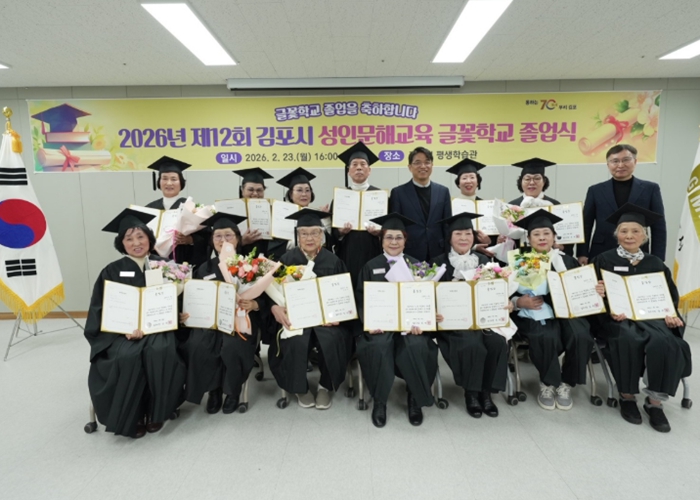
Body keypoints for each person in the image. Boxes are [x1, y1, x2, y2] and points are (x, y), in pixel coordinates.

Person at [84, 209, 186, 438]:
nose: (136, 243)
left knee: (160, 350)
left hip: (159, 328)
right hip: (123, 334)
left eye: (141, 236)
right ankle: (133, 415)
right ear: (121, 243)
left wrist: (179, 315)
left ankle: (157, 411)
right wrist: (124, 330)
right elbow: (100, 309)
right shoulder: (111, 271)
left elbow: (179, 299)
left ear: (149, 239)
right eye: (129, 239)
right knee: (127, 356)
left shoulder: (166, 266)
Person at [591, 203, 691, 432]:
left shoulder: (655, 263)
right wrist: (600, 296)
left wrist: (672, 315)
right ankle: (627, 396)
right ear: (616, 235)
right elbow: (591, 297)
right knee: (627, 338)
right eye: (624, 231)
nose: (629, 236)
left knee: (667, 341)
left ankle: (655, 402)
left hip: (653, 319)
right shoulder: (603, 260)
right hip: (617, 318)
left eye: (635, 231)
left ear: (644, 236)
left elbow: (669, 297)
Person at [355, 213, 438, 428]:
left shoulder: (417, 266)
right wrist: (369, 323)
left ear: (405, 240)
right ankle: (380, 401)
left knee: (417, 344)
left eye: (399, 237)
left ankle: (414, 398)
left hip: (411, 327)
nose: (394, 242)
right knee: (379, 345)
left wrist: (424, 321)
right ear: (381, 240)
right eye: (389, 237)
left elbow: (427, 299)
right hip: (380, 328)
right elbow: (361, 300)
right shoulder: (370, 266)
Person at [509, 210, 597, 411]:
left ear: (554, 237)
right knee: (545, 336)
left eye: (546, 233)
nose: (542, 238)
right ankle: (548, 383)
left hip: (567, 312)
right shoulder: (521, 260)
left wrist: (595, 290)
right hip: (536, 310)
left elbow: (581, 288)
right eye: (536, 234)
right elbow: (507, 291)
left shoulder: (567, 261)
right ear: (528, 239)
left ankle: (566, 382)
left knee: (581, 335)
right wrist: (519, 301)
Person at [266, 209, 353, 410]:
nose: (309, 238)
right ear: (297, 236)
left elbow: (344, 295)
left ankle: (325, 386)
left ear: (322, 235)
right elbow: (270, 290)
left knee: (333, 338)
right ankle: (300, 388)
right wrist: (274, 307)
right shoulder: (286, 260)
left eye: (315, 233)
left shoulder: (333, 261)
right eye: (304, 234)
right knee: (295, 340)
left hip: (326, 320)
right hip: (296, 318)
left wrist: (338, 316)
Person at [180, 212, 265, 415]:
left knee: (232, 346)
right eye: (218, 236)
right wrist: (187, 313)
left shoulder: (250, 265)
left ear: (238, 239)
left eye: (228, 235)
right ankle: (214, 390)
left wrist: (255, 304)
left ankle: (232, 391)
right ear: (212, 241)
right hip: (210, 322)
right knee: (199, 344)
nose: (223, 240)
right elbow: (193, 297)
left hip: (239, 321)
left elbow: (266, 297)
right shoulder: (204, 268)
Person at [430, 212, 509, 418]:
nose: (463, 238)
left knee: (497, 342)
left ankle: (486, 392)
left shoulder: (485, 261)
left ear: (474, 237)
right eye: (458, 234)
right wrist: (433, 311)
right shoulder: (438, 263)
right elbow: (428, 295)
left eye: (468, 233)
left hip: (482, 320)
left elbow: (496, 291)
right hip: (452, 324)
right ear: (449, 238)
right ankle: (471, 392)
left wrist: (505, 303)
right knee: (471, 343)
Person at [578, 144, 667, 264]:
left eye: (626, 160)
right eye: (615, 161)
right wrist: (582, 253)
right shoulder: (595, 190)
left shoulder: (650, 188)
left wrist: (658, 257)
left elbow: (659, 226)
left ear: (635, 162)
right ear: (608, 164)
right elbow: (586, 224)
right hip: (602, 251)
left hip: (638, 251)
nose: (620, 165)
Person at [330, 141, 383, 289]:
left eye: (363, 164)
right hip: (348, 251)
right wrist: (340, 232)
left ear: (369, 170)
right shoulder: (340, 197)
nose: (359, 167)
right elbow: (332, 234)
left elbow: (389, 228)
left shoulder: (380, 196)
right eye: (354, 164)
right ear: (348, 170)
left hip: (372, 249)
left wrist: (379, 233)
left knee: (372, 287)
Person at [145, 155, 209, 267]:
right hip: (156, 263)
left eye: (174, 179)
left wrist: (190, 240)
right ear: (159, 182)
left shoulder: (191, 208)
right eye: (164, 178)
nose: (169, 183)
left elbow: (208, 237)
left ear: (181, 183)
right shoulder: (149, 208)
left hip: (184, 263)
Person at [389, 147, 451, 261]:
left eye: (427, 162)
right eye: (417, 162)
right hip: (410, 252)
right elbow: (396, 226)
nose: (423, 166)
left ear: (432, 165)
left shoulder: (443, 191)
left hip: (438, 252)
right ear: (410, 167)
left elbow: (447, 226)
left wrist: (448, 252)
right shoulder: (398, 193)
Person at [274, 167, 331, 259]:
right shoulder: (281, 216)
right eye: (299, 190)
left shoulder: (317, 214)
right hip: (291, 261)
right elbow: (275, 247)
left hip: (317, 261)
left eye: (307, 190)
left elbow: (329, 243)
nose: (304, 194)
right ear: (291, 194)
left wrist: (326, 220)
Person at [446, 157, 496, 252]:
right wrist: (473, 247)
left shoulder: (486, 206)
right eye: (464, 178)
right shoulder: (450, 205)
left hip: (483, 255)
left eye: (472, 177)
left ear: (478, 182)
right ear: (458, 183)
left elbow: (494, 237)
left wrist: (489, 241)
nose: (468, 181)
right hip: (456, 253)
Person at [232, 167, 274, 256]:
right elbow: (222, 245)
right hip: (239, 259)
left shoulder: (272, 212)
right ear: (242, 190)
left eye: (259, 190)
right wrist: (241, 241)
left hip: (267, 258)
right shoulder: (231, 212)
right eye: (250, 190)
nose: (255, 194)